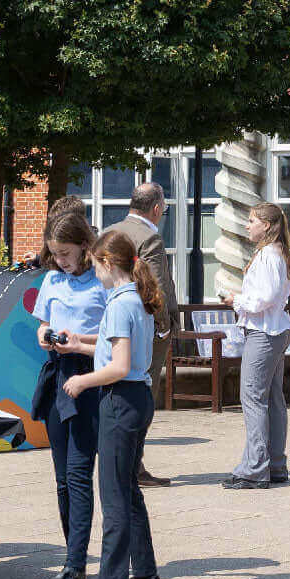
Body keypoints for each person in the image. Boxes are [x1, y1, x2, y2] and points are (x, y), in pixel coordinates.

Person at [53, 230, 165, 579]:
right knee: (128, 489)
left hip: (120, 401)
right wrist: (79, 344)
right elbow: (114, 349)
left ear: (105, 263)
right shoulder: (134, 297)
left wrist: (82, 380)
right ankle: (146, 573)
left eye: (94, 264)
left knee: (114, 495)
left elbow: (118, 367)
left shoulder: (119, 303)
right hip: (138, 398)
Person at [28, 212, 106, 579]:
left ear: (84, 246)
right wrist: (46, 335)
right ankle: (72, 559)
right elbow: (41, 322)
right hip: (58, 373)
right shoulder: (52, 279)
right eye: (55, 253)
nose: (60, 259)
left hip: (89, 376)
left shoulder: (102, 281)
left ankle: (75, 565)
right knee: (61, 479)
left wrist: (79, 339)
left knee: (78, 473)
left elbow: (114, 337)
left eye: (66, 252)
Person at [104, 183, 179, 487]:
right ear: (157, 208)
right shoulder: (150, 238)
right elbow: (156, 285)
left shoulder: (110, 231)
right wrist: (163, 326)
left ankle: (119, 462)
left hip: (114, 322)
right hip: (145, 326)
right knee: (143, 395)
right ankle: (134, 466)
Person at [220, 203, 290, 490]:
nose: (247, 225)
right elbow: (270, 295)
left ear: (266, 225)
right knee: (273, 399)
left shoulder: (267, 255)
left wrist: (236, 301)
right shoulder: (278, 253)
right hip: (276, 330)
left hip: (264, 332)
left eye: (251, 221)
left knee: (252, 398)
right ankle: (275, 464)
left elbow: (263, 298)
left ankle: (254, 469)